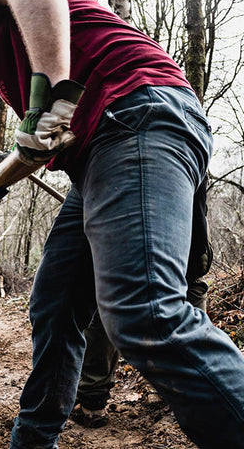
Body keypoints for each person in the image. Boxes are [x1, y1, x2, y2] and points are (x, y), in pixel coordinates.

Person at [0, 0, 244, 448]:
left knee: (146, 312)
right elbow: (43, 137)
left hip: (136, 116)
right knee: (55, 303)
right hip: (102, 143)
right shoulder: (15, 38)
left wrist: (54, 96)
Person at [73, 177, 213, 427]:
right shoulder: (193, 143)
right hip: (191, 243)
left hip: (146, 237)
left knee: (108, 295)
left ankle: (93, 402)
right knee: (189, 291)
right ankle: (194, 390)